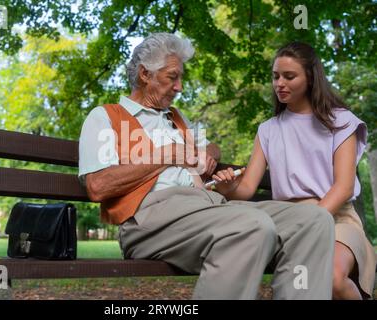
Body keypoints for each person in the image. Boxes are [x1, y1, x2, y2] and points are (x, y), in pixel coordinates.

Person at [78, 33, 335, 299]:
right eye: (172, 77)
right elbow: (97, 186)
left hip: (208, 207)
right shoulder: (106, 117)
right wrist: (167, 155)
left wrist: (205, 153)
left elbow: (212, 148)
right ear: (145, 74)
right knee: (250, 225)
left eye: (180, 78)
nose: (179, 87)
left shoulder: (176, 118)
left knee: (313, 220)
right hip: (150, 220)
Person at [213, 42, 376, 299]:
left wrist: (310, 220)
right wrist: (228, 188)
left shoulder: (341, 121)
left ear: (310, 78)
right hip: (286, 223)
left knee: (332, 278)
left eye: (289, 76)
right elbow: (245, 188)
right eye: (276, 76)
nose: (279, 83)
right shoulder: (268, 130)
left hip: (337, 219)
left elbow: (343, 187)